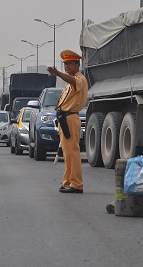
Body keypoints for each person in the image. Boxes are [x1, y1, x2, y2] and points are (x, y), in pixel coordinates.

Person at [47, 50, 88, 194]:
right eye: (65, 64)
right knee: (67, 153)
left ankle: (76, 184)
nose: (67, 66)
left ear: (78, 64)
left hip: (71, 118)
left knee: (72, 152)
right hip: (64, 118)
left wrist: (58, 74)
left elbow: (74, 82)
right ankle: (68, 181)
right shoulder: (70, 80)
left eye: (70, 63)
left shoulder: (79, 79)